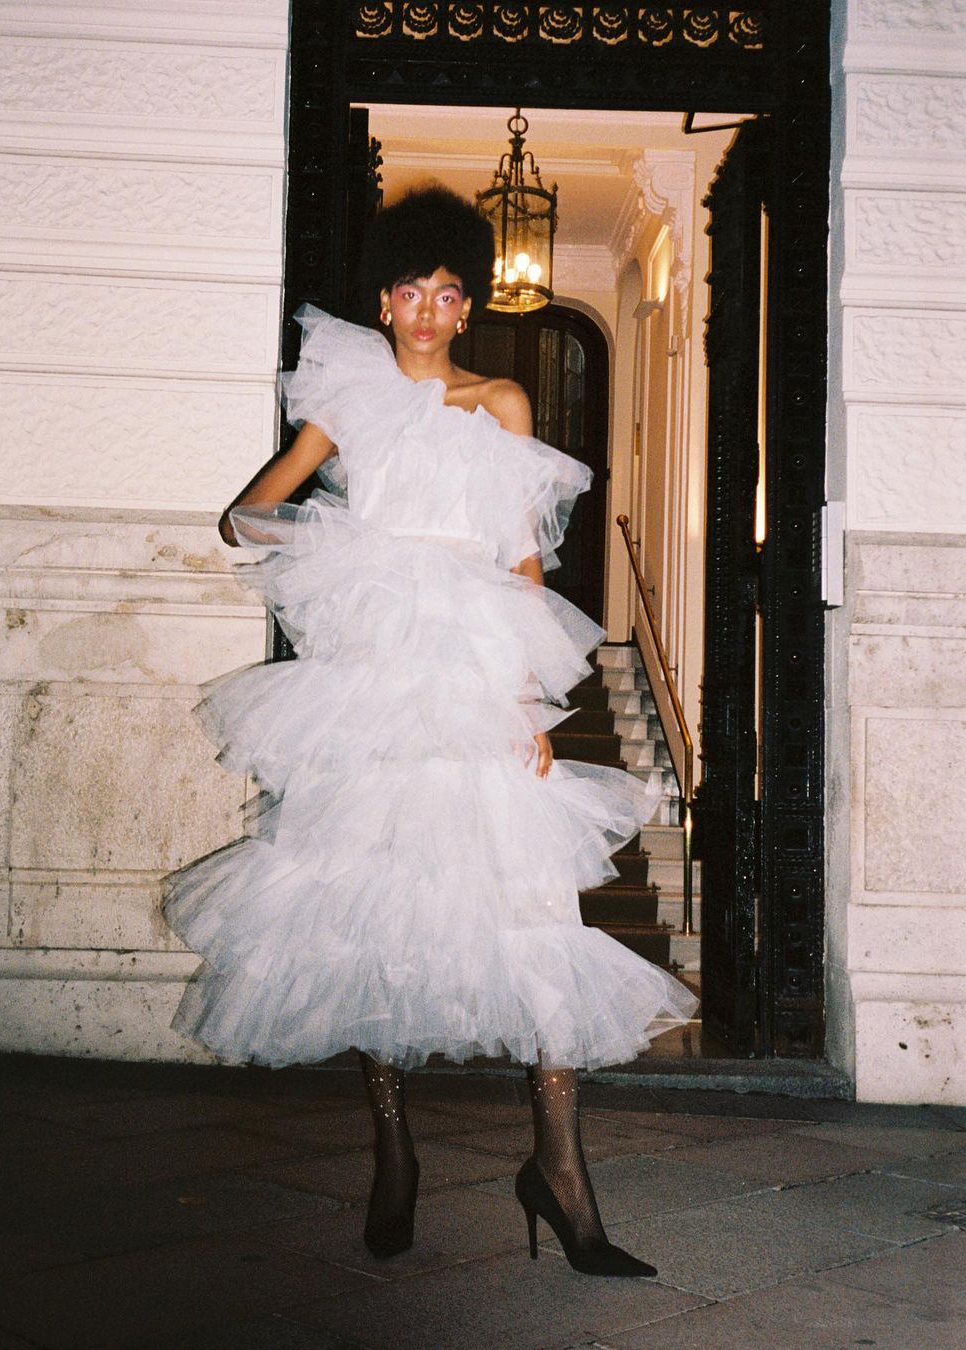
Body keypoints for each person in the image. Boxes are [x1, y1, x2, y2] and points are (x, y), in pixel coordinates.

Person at [163, 186, 698, 1277]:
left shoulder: (501, 401)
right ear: (383, 301)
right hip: (373, 686)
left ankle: (562, 1176)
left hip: (477, 673)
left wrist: (528, 705)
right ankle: (394, 1153)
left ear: (467, 307)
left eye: (447, 294)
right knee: (372, 903)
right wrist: (351, 544)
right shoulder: (349, 402)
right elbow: (244, 518)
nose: (426, 311)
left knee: (533, 907)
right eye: (410, 292)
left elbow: (521, 559)